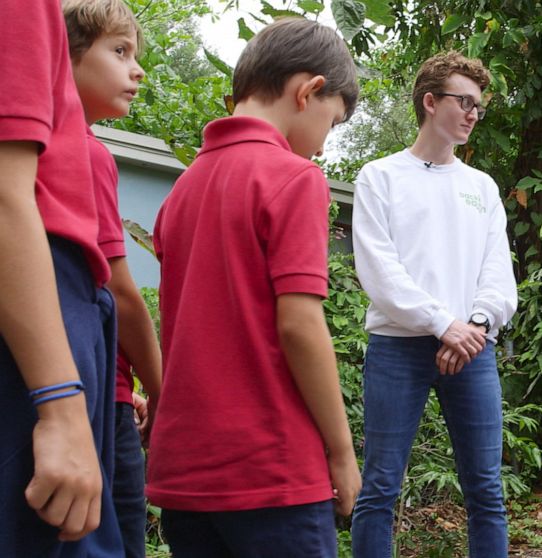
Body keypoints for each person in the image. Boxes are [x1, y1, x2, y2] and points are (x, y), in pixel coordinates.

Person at [146, 18, 361, 557]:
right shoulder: (292, 178)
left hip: (186, 477)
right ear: (309, 90)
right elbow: (299, 325)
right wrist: (341, 451)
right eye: (331, 124)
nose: (321, 146)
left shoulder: (181, 192)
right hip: (273, 471)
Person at [350, 51, 518, 558]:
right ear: (429, 101)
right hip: (397, 348)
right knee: (379, 488)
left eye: (478, 107)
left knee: (487, 490)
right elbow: (380, 272)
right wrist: (443, 323)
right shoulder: (380, 177)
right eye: (463, 102)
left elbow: (498, 272)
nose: (472, 113)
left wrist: (477, 323)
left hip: (472, 348)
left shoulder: (481, 187)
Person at [0, 0, 123, 556]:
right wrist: (61, 403)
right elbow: (6, 196)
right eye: (119, 52)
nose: (136, 69)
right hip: (38, 300)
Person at [63, 1, 162, 556]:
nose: (137, 70)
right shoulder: (86, 152)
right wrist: (160, 387)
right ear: (66, 58)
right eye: (120, 52)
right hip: (100, 400)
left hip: (99, 386)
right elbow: (121, 293)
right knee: (120, 537)